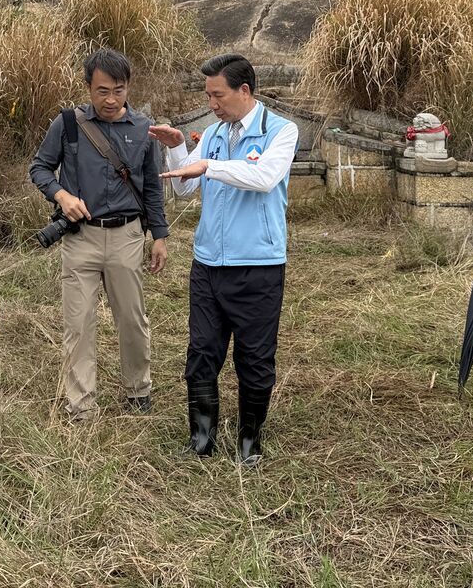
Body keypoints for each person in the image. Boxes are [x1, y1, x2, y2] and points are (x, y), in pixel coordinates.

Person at [149, 53, 299, 465]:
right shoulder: (213, 133)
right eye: (208, 95)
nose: (211, 104)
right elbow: (184, 190)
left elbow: (264, 178)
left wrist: (207, 165)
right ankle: (201, 439)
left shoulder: (281, 131)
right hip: (208, 265)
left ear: (244, 91)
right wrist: (178, 150)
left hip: (258, 265)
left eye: (218, 95)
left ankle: (250, 442)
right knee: (201, 353)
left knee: (254, 357)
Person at [29, 48, 169, 419]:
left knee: (133, 319)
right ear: (87, 87)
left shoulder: (144, 128)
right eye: (102, 90)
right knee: (78, 323)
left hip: (126, 236)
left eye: (119, 90)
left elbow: (152, 186)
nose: (111, 100)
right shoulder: (67, 124)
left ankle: (138, 391)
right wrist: (61, 195)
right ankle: (81, 405)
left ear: (128, 88)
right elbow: (40, 168)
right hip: (80, 237)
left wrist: (159, 235)